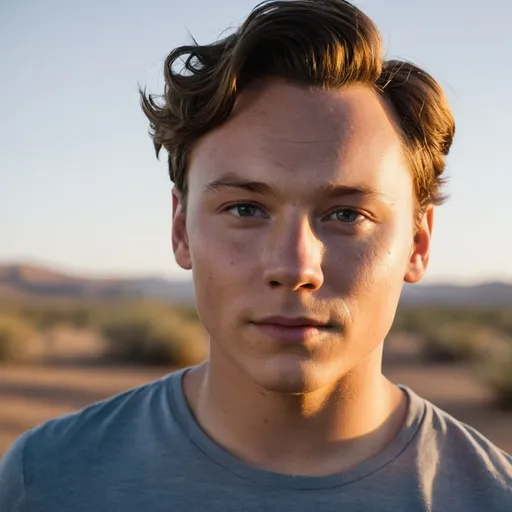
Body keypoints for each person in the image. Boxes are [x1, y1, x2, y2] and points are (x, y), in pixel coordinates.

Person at [1, 0, 511, 510]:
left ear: (418, 244)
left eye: (347, 215)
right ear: (180, 228)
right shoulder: (44, 480)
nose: (293, 268)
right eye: (245, 208)